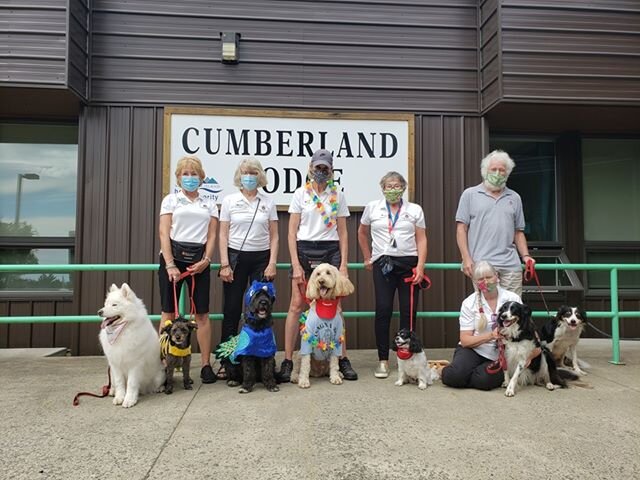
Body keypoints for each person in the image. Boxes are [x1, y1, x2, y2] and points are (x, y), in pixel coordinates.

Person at [278, 148, 358, 382]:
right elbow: (291, 232)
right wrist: (295, 263)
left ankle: (342, 359)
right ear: (310, 168)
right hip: (304, 249)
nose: (321, 172)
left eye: (325, 168)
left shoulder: (338, 195)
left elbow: (343, 233)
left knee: (336, 307)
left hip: (330, 249)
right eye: (317, 167)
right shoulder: (300, 194)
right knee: (296, 305)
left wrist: (343, 264)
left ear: (331, 170)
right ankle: (288, 360)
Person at [358, 171, 428, 379]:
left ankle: (406, 360)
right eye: (389, 186)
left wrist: (421, 266)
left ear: (404, 188)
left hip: (409, 264)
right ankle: (382, 360)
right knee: (383, 309)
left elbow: (422, 239)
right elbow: (361, 233)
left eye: (397, 185)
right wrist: (367, 257)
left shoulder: (414, 209)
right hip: (383, 263)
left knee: (408, 311)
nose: (393, 189)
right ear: (382, 188)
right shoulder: (372, 207)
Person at [158, 156, 219, 384]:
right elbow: (164, 233)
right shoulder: (170, 201)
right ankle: (164, 364)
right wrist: (171, 264)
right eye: (185, 174)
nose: (190, 178)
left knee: (201, 313)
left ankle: (204, 365)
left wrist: (207, 260)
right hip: (172, 260)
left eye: (194, 174)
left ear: (201, 178)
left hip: (199, 262)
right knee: (168, 312)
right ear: (178, 177)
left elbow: (212, 235)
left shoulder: (210, 203)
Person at [217, 157, 279, 379]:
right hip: (235, 259)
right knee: (232, 311)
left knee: (262, 310)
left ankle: (264, 361)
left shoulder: (268, 202)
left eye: (253, 172)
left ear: (260, 175)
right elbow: (223, 234)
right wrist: (225, 263)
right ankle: (228, 362)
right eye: (245, 172)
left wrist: (272, 263)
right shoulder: (229, 200)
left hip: (261, 259)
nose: (249, 176)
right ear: (239, 175)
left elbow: (274, 236)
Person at [455, 150, 535, 296]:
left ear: (507, 173)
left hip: (511, 266)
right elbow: (461, 229)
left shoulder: (515, 197)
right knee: (487, 308)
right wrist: (466, 258)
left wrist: (526, 256)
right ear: (485, 171)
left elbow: (518, 232)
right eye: (494, 169)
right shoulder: (470, 195)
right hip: (482, 266)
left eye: (502, 170)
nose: (498, 173)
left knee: (512, 309)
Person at [441, 261, 521, 390]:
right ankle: (456, 371)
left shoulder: (512, 298)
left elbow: (525, 327)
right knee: (454, 376)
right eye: (481, 279)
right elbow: (465, 340)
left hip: (503, 353)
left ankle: (468, 374)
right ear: (476, 283)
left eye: (489, 277)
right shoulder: (469, 303)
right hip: (474, 349)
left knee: (484, 381)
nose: (486, 282)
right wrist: (490, 335)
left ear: (497, 277)